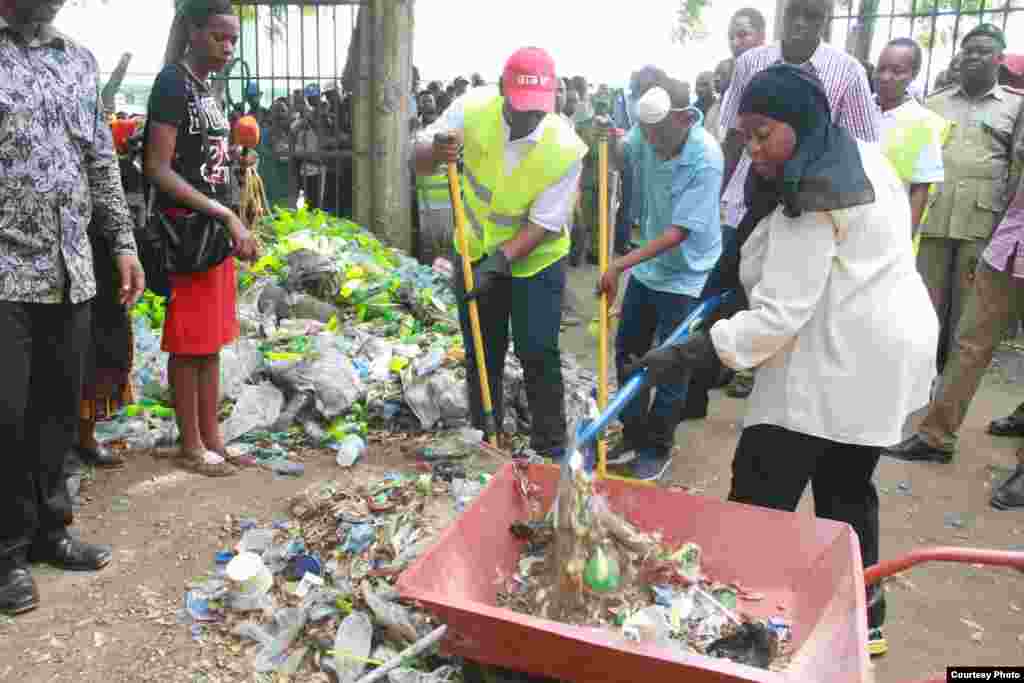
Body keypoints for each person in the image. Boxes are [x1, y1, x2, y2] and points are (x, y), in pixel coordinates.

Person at [627, 65, 937, 656]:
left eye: (763, 133)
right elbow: (761, 246)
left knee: (761, 486)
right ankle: (866, 618)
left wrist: (691, 352)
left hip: (837, 354)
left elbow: (777, 317)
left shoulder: (812, 199)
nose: (752, 148)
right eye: (745, 135)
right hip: (879, 347)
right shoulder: (852, 155)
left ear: (799, 122)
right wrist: (726, 291)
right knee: (847, 489)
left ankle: (735, 619)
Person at [0, 0, 146, 617]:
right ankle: (6, 553)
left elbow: (100, 162)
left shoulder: (77, 61)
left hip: (70, 271)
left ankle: (51, 531)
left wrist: (123, 243)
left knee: (58, 410)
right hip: (6, 273)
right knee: (6, 416)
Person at [413, 47, 586, 460]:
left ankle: (550, 447)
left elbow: (544, 223)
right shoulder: (471, 108)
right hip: (474, 248)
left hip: (537, 257)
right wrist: (436, 151)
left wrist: (498, 264)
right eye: (521, 108)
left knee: (537, 349)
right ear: (502, 90)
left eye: (538, 109)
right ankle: (486, 436)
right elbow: (419, 161)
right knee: (481, 347)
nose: (529, 119)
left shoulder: (565, 147)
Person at [717, 0, 880, 401]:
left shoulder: (848, 72)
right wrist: (724, 192)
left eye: (814, 16)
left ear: (827, 20)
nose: (802, 25)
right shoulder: (750, 63)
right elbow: (735, 134)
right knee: (740, 278)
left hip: (803, 199)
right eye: (795, 14)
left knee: (787, 294)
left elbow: (862, 145)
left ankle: (760, 360)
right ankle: (737, 359)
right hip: (750, 195)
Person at [885, 27, 1024, 465]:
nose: (974, 58)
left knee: (966, 326)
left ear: (999, 59)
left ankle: (940, 412)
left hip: (983, 229)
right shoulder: (935, 103)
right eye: (968, 50)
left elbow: (1014, 171)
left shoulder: (1014, 107)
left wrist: (1002, 227)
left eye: (984, 51)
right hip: (935, 220)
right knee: (924, 315)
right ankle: (916, 397)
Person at [145, 0, 262, 477]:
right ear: (193, 32)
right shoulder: (172, 83)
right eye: (219, 36)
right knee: (188, 342)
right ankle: (191, 446)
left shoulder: (207, 87)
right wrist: (225, 215)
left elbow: (202, 159)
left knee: (211, 342)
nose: (228, 47)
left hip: (213, 231)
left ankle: (213, 438)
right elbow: (158, 168)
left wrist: (236, 158)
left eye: (233, 39)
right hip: (188, 232)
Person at [597, 79, 723, 481]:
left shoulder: (705, 158)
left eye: (659, 133)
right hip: (651, 264)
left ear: (684, 119)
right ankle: (633, 433)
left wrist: (619, 265)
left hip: (686, 271)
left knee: (671, 362)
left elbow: (678, 233)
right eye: (645, 131)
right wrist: (609, 140)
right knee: (628, 351)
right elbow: (623, 154)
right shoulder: (647, 131)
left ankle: (657, 446)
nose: (650, 141)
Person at [874, 38, 948, 250]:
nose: (886, 77)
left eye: (897, 71)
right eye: (881, 69)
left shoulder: (923, 122)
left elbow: (920, 189)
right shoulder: (860, 109)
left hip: (890, 225)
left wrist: (905, 241)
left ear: (913, 74)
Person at [704, 59, 734, 142]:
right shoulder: (714, 107)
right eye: (716, 73)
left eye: (723, 74)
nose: (717, 78)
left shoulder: (736, 108)